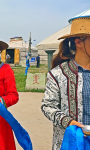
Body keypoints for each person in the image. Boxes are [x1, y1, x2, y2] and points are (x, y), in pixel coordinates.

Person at [41, 16, 90, 150]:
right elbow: (48, 106)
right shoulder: (58, 74)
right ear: (79, 42)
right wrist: (68, 122)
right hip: (70, 142)